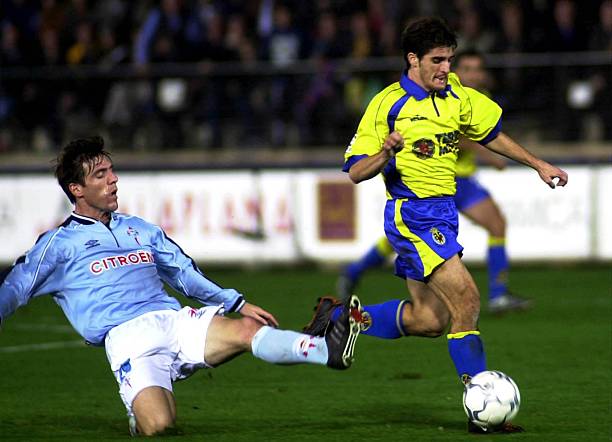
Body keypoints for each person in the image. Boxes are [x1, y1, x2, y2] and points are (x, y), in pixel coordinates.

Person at [304, 17, 567, 433]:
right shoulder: (388, 105)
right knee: (467, 301)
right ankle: (481, 404)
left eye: (450, 59)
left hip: (443, 214)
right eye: (437, 60)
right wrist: (386, 153)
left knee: (429, 320)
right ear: (413, 59)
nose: (447, 68)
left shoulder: (456, 95)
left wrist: (537, 163)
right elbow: (355, 172)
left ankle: (343, 318)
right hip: (412, 216)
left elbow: (491, 133)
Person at [0, 136, 363, 437]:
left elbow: (184, 273)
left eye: (111, 170)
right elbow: (14, 288)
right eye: (100, 174)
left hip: (174, 321)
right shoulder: (59, 244)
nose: (113, 180)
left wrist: (235, 303)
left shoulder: (139, 228)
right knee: (160, 428)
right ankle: (140, 416)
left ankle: (325, 349)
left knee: (249, 329)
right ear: (76, 189)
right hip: (129, 340)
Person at [337, 49, 531, 314]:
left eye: (478, 69)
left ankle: (354, 274)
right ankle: (354, 273)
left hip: (458, 182)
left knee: (494, 225)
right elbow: (455, 137)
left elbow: (477, 133)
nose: (474, 74)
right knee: (412, 244)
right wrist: (485, 152)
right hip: (442, 180)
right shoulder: (430, 95)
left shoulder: (474, 98)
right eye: (468, 68)